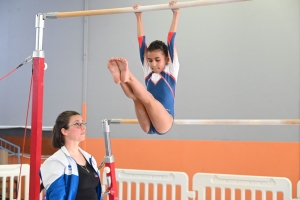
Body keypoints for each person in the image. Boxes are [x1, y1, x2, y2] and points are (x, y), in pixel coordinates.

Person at [107, 1, 180, 135]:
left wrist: (176, 13)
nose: (152, 64)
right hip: (149, 120)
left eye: (157, 60)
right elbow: (141, 42)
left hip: (164, 119)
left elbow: (171, 40)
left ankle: (126, 77)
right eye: (150, 60)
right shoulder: (149, 70)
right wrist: (138, 16)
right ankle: (122, 79)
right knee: (137, 98)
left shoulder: (171, 69)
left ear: (167, 59)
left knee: (146, 98)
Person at [40, 110, 102, 200]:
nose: (83, 127)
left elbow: (96, 193)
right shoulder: (56, 162)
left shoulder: (90, 158)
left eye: (83, 123)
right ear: (64, 131)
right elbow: (57, 197)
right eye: (77, 124)